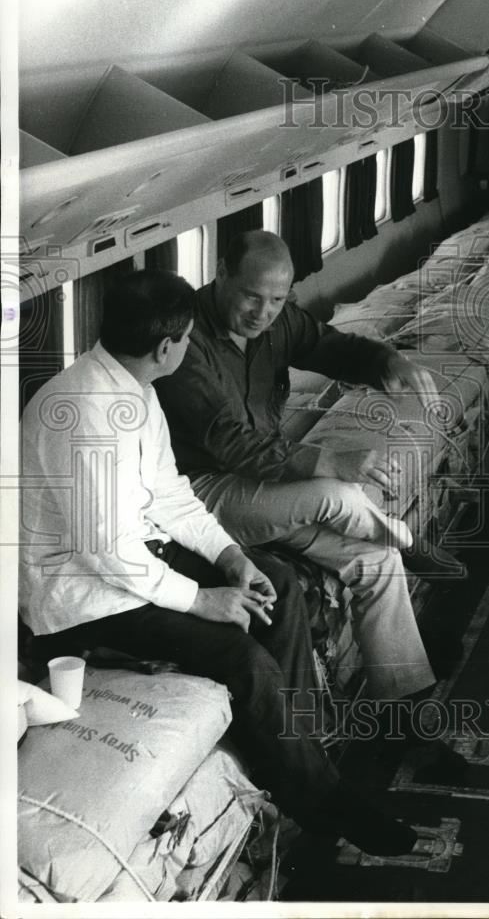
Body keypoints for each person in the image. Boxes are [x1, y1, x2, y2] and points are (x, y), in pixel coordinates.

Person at [19, 269, 418, 856]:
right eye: (186, 340)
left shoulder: (134, 389)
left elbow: (172, 494)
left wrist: (230, 557)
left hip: (135, 558)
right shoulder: (82, 414)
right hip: (83, 595)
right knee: (241, 654)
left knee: (275, 583)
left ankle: (306, 752)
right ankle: (322, 804)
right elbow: (103, 553)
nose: (187, 348)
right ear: (167, 348)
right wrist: (202, 599)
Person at [155, 230, 462, 703]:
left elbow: (329, 345)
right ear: (221, 274)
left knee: (378, 562)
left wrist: (387, 361)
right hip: (201, 493)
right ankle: (410, 539)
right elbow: (232, 442)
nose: (264, 313)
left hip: (262, 489)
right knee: (333, 493)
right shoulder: (188, 341)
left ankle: (407, 703)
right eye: (251, 297)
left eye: (277, 299)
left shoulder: (277, 323)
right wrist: (331, 460)